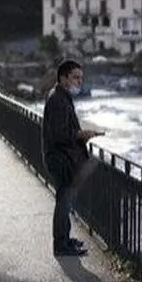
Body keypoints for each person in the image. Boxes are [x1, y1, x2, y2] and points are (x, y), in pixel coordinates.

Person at [41, 60, 104, 256]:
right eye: (75, 77)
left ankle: (65, 240)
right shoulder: (58, 100)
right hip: (61, 159)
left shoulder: (60, 96)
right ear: (63, 78)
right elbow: (60, 134)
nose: (79, 81)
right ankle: (61, 245)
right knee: (64, 202)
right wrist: (80, 135)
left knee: (65, 201)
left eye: (81, 78)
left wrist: (79, 133)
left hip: (62, 158)